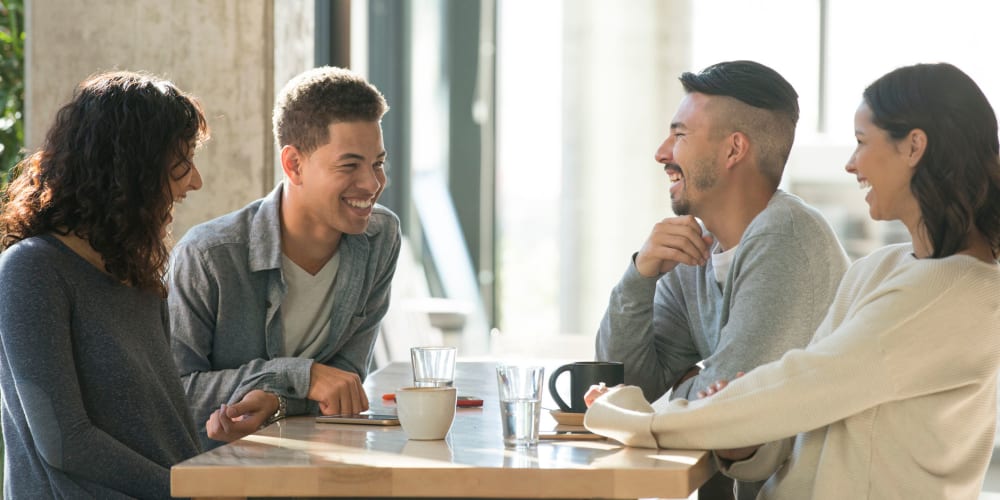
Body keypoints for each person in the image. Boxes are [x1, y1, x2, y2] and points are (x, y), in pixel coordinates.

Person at [585, 62, 1000, 499]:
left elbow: (796, 383)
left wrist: (632, 418)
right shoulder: (880, 268)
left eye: (861, 142)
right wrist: (748, 439)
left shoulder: (954, 292)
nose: (850, 163)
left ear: (914, 146)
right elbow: (802, 409)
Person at [594, 60, 849, 498]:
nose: (661, 152)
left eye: (680, 135)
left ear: (733, 150)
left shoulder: (786, 240)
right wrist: (640, 275)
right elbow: (624, 382)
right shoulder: (694, 250)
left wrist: (692, 384)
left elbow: (726, 413)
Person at [169, 66, 402, 448]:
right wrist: (302, 376)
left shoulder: (380, 237)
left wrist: (279, 397)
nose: (373, 184)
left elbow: (343, 378)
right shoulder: (209, 256)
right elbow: (173, 394)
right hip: (217, 473)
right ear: (293, 164)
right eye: (350, 165)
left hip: (320, 461)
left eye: (378, 163)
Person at [0, 71, 208, 498]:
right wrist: (185, 490)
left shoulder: (141, 278)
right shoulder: (31, 270)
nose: (195, 182)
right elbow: (64, 441)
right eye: (182, 163)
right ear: (131, 169)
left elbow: (160, 428)